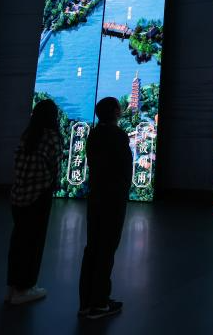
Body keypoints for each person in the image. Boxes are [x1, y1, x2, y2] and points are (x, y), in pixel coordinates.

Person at [78, 97, 131, 320]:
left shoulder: (94, 134)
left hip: (96, 197)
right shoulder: (118, 136)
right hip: (113, 199)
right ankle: (100, 303)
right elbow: (125, 170)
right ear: (116, 112)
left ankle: (86, 302)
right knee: (106, 249)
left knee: (92, 247)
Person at [5, 99, 63, 305]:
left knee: (19, 240)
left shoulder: (27, 135)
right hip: (39, 194)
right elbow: (55, 166)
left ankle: (13, 287)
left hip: (18, 194)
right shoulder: (51, 137)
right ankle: (25, 288)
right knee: (34, 242)